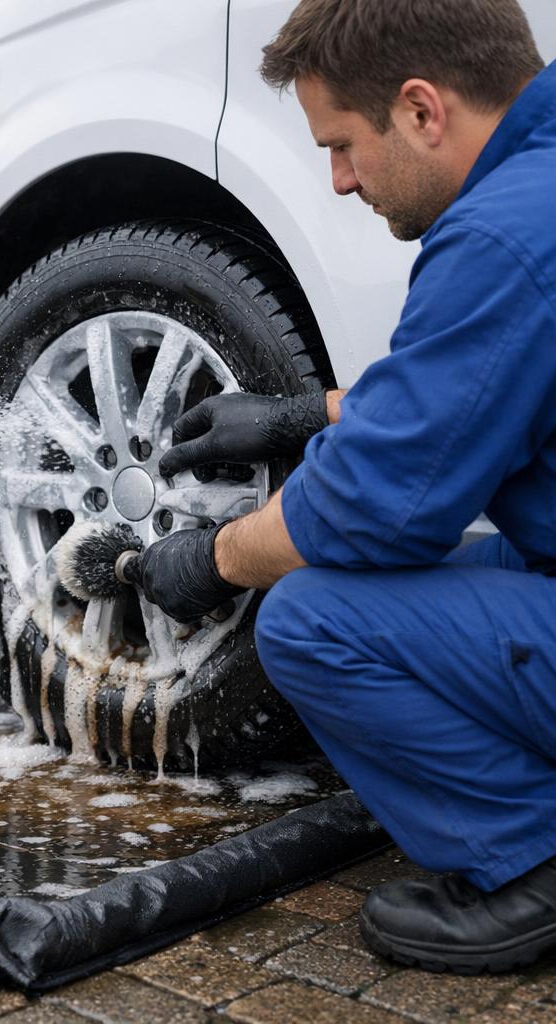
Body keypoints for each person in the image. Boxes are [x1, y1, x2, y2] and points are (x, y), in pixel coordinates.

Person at [132, 0, 556, 974]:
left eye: (341, 144)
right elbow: (487, 375)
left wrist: (215, 556)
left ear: (419, 110)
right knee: (462, 570)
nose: (334, 179)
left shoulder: (500, 234)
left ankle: (531, 856)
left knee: (313, 614)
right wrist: (308, 411)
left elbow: (376, 507)